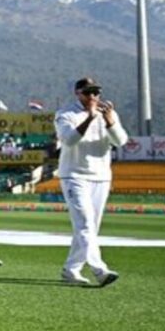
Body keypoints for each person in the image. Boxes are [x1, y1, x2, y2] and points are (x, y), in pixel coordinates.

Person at [54, 77, 127, 287]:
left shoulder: (107, 113)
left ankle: (71, 269)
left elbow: (120, 141)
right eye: (88, 93)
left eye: (96, 92)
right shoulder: (66, 114)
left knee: (89, 228)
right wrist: (89, 118)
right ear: (77, 93)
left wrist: (110, 121)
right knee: (85, 224)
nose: (93, 97)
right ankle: (99, 269)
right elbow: (68, 140)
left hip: (101, 176)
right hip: (74, 176)